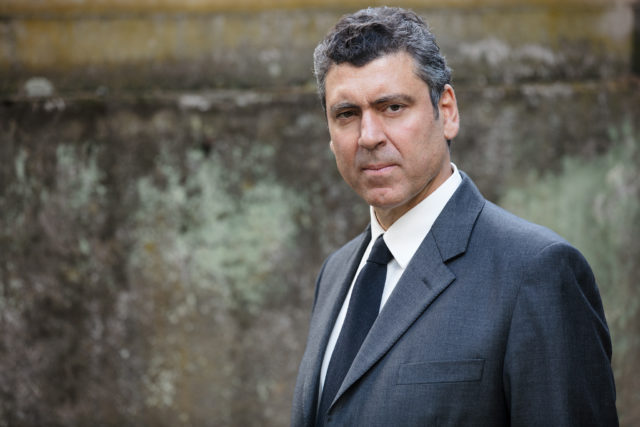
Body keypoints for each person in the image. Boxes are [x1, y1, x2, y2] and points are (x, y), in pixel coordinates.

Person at [291, 6, 618, 427]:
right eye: (347, 114)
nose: (368, 137)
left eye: (393, 107)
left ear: (446, 111)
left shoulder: (536, 272)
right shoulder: (335, 273)